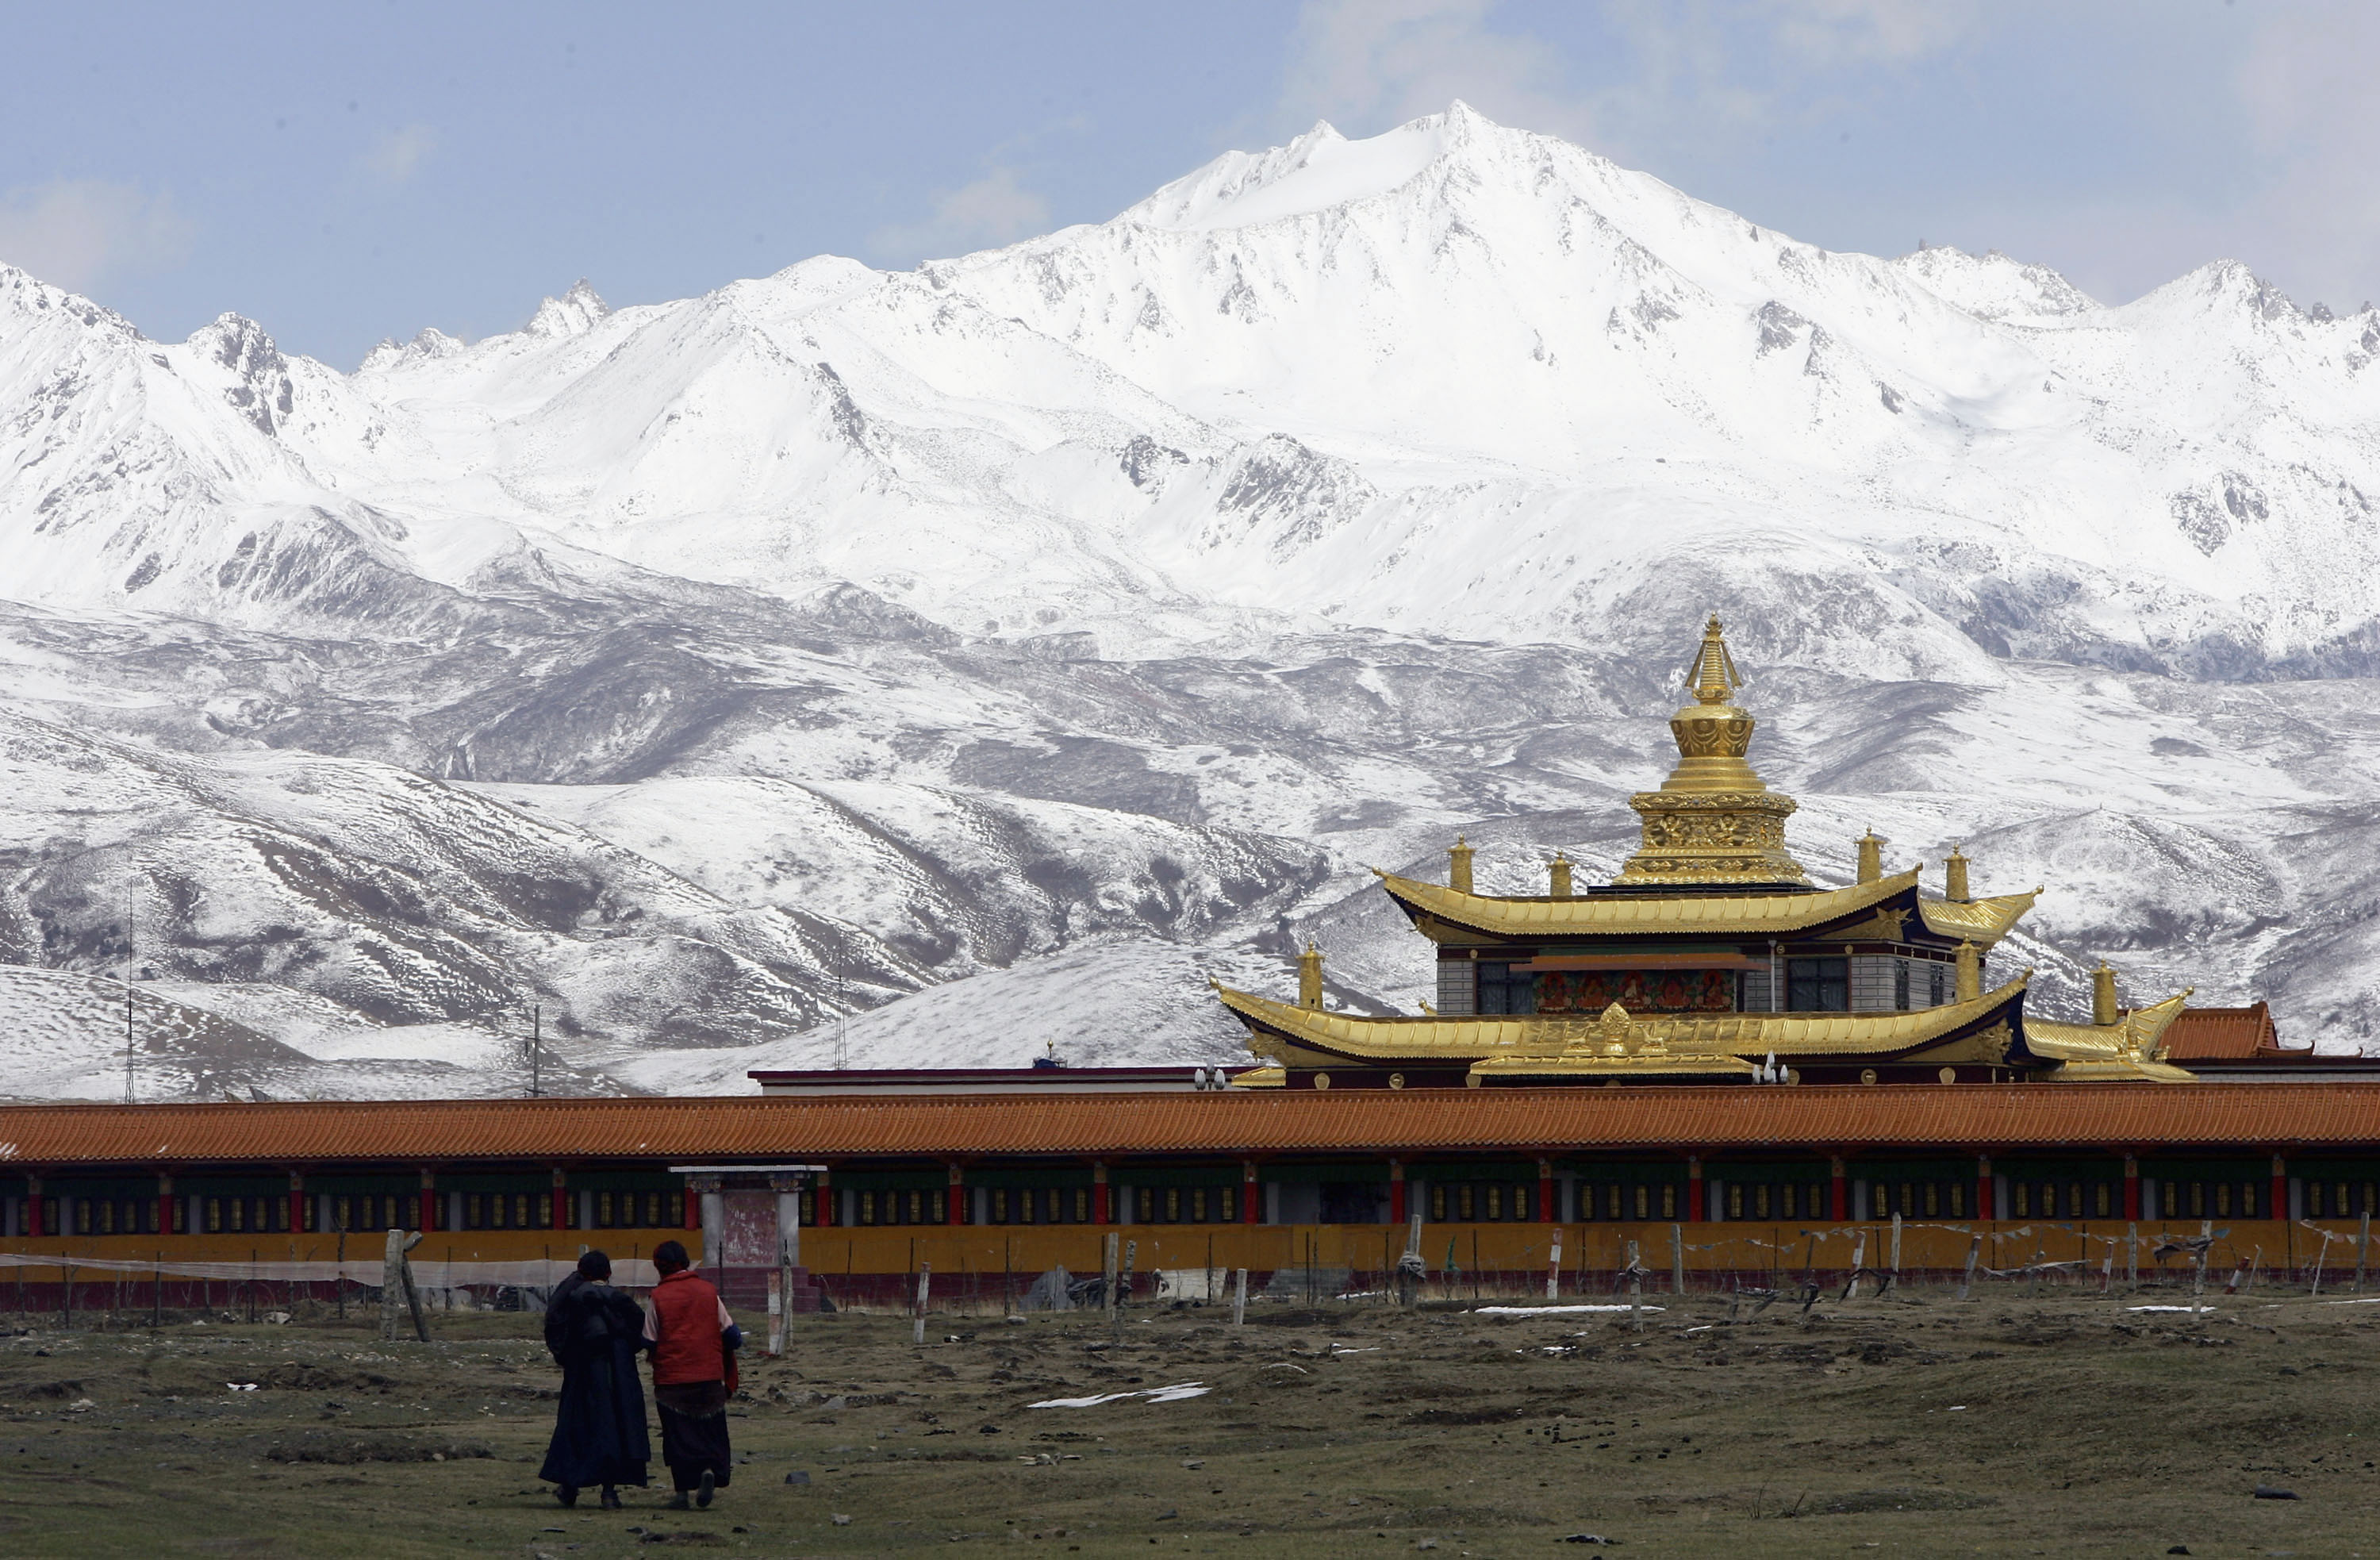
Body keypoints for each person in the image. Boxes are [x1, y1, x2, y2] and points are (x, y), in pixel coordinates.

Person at [538, 1250, 651, 1509]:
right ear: (608, 1274)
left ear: (582, 1271)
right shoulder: (621, 1301)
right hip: (620, 1375)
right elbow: (639, 1333)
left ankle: (569, 1487)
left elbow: (556, 1330)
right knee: (617, 1426)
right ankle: (609, 1493)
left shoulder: (570, 1297)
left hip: (582, 1373)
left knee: (576, 1426)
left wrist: (568, 1356)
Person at [643, 1239, 742, 1510]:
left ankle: (681, 1494)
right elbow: (732, 1334)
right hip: (709, 1378)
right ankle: (709, 1469)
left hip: (672, 1381)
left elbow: (649, 1340)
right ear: (686, 1263)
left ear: (659, 1267)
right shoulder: (708, 1292)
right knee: (709, 1430)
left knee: (678, 1436)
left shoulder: (658, 1297)